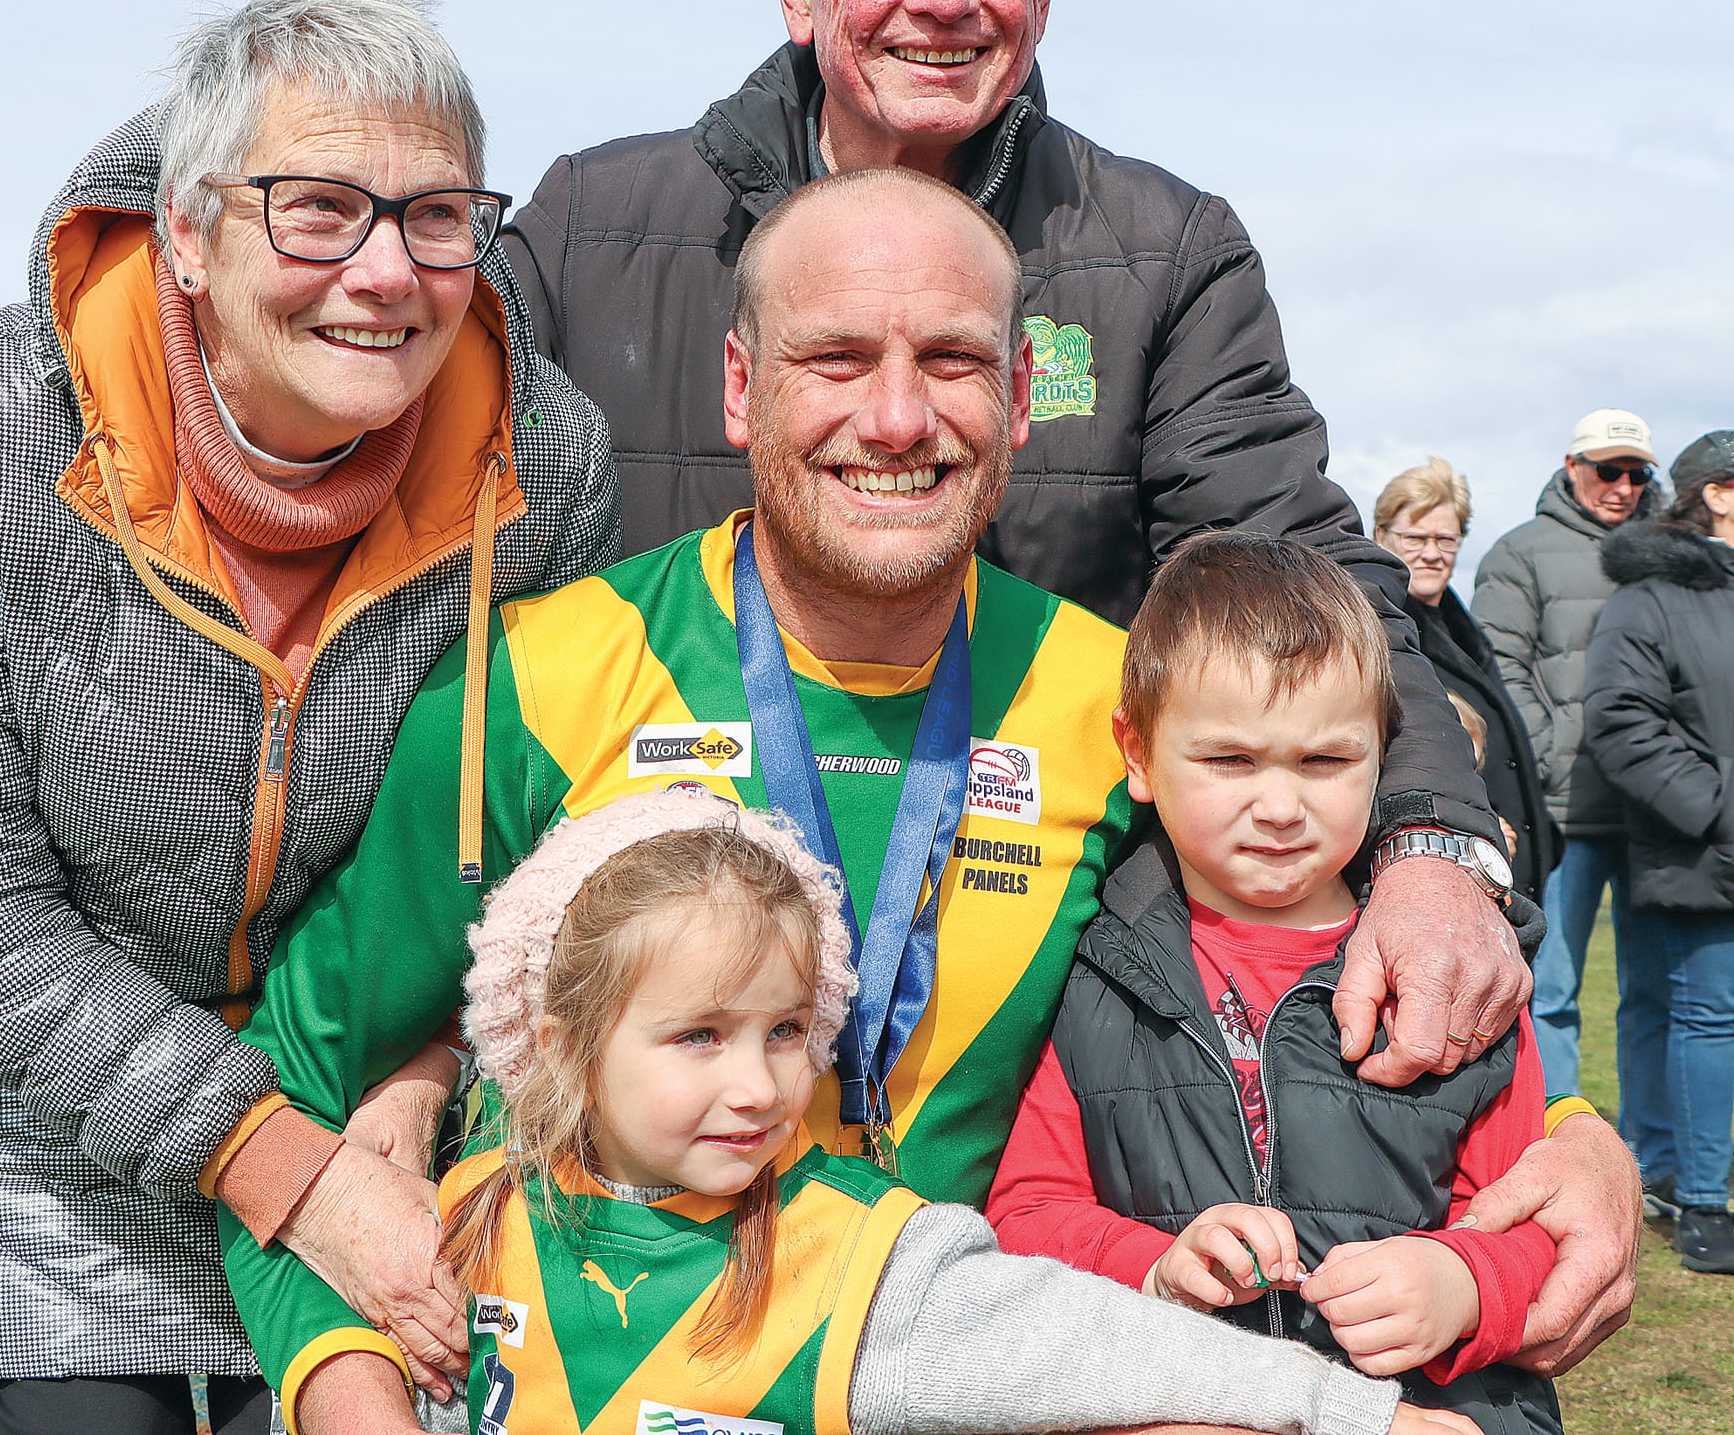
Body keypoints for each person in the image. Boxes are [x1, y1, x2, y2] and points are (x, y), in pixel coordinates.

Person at [215, 171, 1635, 1433]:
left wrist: (1576, 1136)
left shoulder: (1119, 708)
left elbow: (1304, 932)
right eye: (834, 357)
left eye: (951, 361)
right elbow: (299, 1084)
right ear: (738, 386)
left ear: (1020, 395)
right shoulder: (535, 681)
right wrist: (349, 1389)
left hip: (969, 1367)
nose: (897, 416)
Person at [500, 0, 1533, 1066]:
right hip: (635, 1033)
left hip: (1012, 1026)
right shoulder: (593, 226)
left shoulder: (1161, 253)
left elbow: (1296, 571)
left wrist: (1434, 841)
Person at [0, 0, 618, 1434]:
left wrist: (425, 1063)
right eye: (318, 207)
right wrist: (287, 1172)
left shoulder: (547, 463)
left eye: (438, 215)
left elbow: (551, 833)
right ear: (190, 232)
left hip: (363, 1074)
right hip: (44, 1094)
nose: (387, 272)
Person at [435, 788, 1477, 1435]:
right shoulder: (466, 1216)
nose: (756, 1085)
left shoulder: (865, 1263)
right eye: (698, 1036)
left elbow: (1098, 1346)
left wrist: (1365, 1419)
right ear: (563, 1039)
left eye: (787, 1032)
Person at [989, 535, 1563, 1433]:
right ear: (1137, 754)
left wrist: (1463, 1285)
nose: (1282, 806)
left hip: (1431, 1405)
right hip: (1179, 1397)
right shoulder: (1087, 966)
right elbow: (1027, 1210)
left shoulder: (1456, 969)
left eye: (1326, 762)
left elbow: (1535, 1217)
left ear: (1383, 754)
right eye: (1230, 761)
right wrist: (1153, 1264)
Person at [1471, 410, 1672, 1204]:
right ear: (1572, 465)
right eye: (1609, 470)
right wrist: (1554, 759)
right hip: (1563, 814)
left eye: (1638, 474)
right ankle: (1554, 1153)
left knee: (1656, 993)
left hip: (1657, 815)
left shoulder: (1667, 555)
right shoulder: (1519, 551)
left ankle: (1653, 1159)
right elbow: (1500, 674)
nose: (1624, 488)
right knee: (1547, 992)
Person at [1584, 430, 1734, 1274]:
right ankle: (1701, 1202)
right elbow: (1621, 718)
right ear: (1716, 492)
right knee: (1706, 1018)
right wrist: (1714, 808)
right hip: (1705, 849)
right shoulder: (1651, 594)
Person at [1373, 462, 1555, 898]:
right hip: (1457, 861)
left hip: (1517, 867)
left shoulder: (1465, 629)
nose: (1432, 553)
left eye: (1446, 539)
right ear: (1381, 538)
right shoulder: (1383, 632)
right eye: (1415, 538)